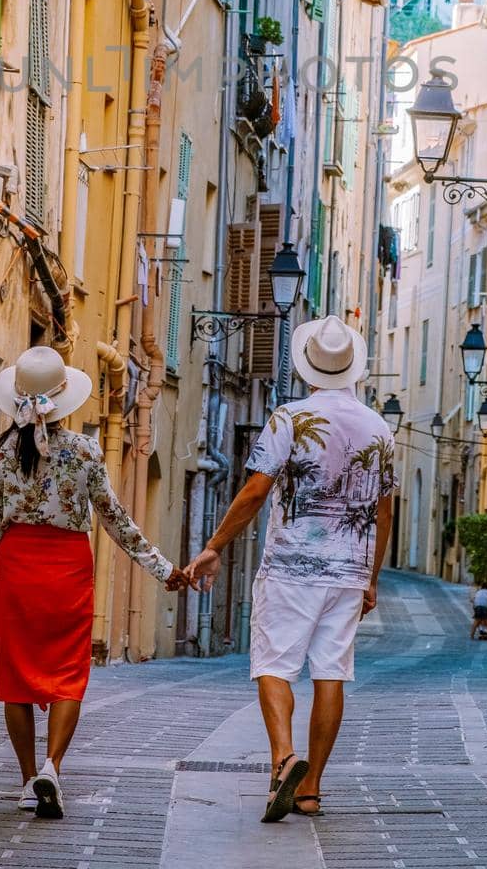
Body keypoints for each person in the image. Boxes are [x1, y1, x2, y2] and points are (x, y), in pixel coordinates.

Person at [185, 315, 395, 823]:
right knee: (331, 673)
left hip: (290, 569)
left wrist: (214, 545)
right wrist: (371, 577)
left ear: (308, 367)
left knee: (275, 665)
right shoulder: (379, 427)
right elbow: (384, 512)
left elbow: (257, 489)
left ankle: (284, 760)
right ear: (352, 368)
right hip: (347, 573)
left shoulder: (289, 418)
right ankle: (312, 790)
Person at [0, 344, 186, 819]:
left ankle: (29, 779)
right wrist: (162, 568)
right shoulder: (86, 451)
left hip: (17, 568)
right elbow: (114, 519)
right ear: (63, 398)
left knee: (16, 682)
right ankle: (54, 766)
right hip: (67, 569)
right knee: (67, 674)